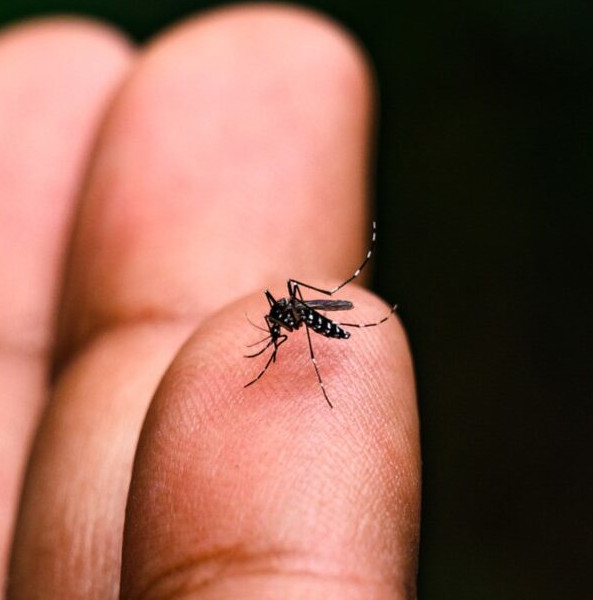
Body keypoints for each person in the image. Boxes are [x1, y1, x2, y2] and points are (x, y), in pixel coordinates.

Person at [0, 5, 420, 598]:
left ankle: (347, 307)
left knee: (306, 311)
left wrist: (296, 343)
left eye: (277, 324)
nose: (275, 323)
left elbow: (294, 323)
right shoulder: (280, 315)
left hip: (330, 325)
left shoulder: (295, 316)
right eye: (276, 325)